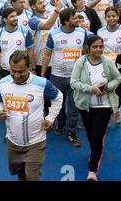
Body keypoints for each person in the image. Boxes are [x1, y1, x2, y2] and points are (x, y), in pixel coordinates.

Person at [0, 51, 63, 181]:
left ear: (29, 68)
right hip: (13, 141)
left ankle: (34, 168)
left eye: (20, 71)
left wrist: (50, 118)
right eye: (13, 71)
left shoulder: (42, 83)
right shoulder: (3, 83)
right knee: (20, 174)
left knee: (31, 177)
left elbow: (58, 97)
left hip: (36, 141)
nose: (16, 75)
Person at [70, 35, 121, 181]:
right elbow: (74, 83)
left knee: (98, 136)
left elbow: (117, 78)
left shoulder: (107, 61)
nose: (98, 50)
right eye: (95, 47)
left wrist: (107, 87)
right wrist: (90, 89)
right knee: (91, 135)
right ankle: (95, 153)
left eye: (101, 46)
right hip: (85, 106)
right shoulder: (81, 62)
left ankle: (92, 171)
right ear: (88, 48)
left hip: (105, 106)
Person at [41, 8, 89, 147]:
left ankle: (71, 132)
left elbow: (85, 50)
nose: (78, 20)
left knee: (74, 106)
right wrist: (43, 73)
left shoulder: (82, 32)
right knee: (58, 104)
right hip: (57, 76)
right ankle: (61, 122)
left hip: (76, 77)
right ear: (66, 21)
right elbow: (47, 54)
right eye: (75, 18)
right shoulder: (54, 34)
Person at [97, 7, 121, 124]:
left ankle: (117, 110)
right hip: (105, 66)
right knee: (106, 91)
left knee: (118, 92)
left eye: (114, 16)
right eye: (109, 16)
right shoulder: (100, 31)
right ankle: (108, 115)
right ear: (105, 18)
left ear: (118, 17)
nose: (111, 18)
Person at [0, 7, 36, 80]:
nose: (15, 18)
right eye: (12, 16)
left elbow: (31, 51)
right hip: (5, 71)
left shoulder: (25, 32)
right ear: (5, 19)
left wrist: (34, 69)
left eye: (15, 16)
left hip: (22, 72)